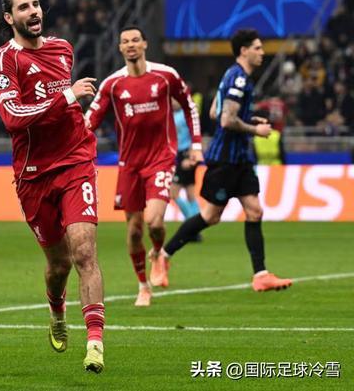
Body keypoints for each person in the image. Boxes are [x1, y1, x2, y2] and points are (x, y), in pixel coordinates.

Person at [0, 0, 105, 373]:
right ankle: (57, 309)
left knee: (84, 251)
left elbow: (60, 111)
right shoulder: (4, 60)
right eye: (23, 7)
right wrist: (66, 97)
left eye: (36, 4)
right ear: (9, 17)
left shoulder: (62, 49)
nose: (34, 11)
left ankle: (95, 343)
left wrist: (72, 110)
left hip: (76, 162)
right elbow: (12, 117)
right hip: (34, 174)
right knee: (59, 265)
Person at [157, 29, 292, 292]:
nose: (262, 52)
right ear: (244, 50)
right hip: (226, 159)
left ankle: (261, 275)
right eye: (257, 48)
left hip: (240, 158)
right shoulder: (239, 79)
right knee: (210, 216)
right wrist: (255, 129)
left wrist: (249, 119)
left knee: (255, 210)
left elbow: (214, 111)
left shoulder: (232, 76)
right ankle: (163, 255)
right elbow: (226, 120)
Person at [84, 26, 202, 307]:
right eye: (125, 41)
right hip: (129, 164)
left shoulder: (165, 75)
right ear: (120, 48)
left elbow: (189, 106)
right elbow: (89, 122)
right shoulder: (112, 84)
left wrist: (196, 144)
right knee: (135, 230)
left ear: (145, 44)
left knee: (154, 221)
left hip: (161, 157)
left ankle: (159, 252)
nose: (131, 45)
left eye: (135, 40)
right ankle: (143, 286)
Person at [171, 104, 202, 240]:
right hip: (178, 155)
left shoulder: (186, 115)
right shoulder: (175, 114)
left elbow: (194, 135)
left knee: (173, 193)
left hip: (186, 155)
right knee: (190, 194)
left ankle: (191, 225)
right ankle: (196, 228)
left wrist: (190, 157)